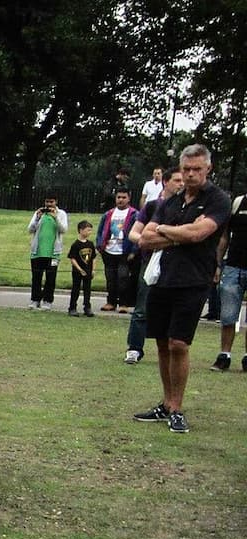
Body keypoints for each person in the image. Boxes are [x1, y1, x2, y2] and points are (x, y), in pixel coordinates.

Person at [133, 144, 232, 434]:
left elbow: (201, 233)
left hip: (193, 280)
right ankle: (165, 403)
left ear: (208, 169)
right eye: (186, 169)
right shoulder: (172, 201)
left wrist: (170, 231)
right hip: (163, 278)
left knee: (179, 344)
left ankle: (177, 407)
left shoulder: (218, 200)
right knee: (162, 343)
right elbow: (145, 238)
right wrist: (179, 234)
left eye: (196, 169)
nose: (190, 174)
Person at [124, 167, 183, 364]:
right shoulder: (151, 206)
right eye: (177, 180)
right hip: (151, 260)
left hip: (177, 263)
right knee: (142, 306)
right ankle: (134, 348)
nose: (182, 184)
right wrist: (147, 241)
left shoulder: (187, 208)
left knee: (171, 307)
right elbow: (133, 232)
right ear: (165, 182)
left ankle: (168, 348)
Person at [210, 190, 246, 371]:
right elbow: (224, 236)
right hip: (234, 266)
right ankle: (225, 355)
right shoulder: (239, 202)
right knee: (227, 315)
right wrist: (218, 264)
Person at [97, 189, 140, 312]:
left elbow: (137, 233)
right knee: (110, 278)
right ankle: (110, 302)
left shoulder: (134, 214)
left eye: (123, 197)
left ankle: (123, 303)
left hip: (124, 252)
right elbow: (101, 231)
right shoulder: (108, 214)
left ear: (129, 198)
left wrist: (133, 251)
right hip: (109, 250)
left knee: (123, 278)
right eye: (118, 197)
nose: (121, 200)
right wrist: (100, 246)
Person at [27, 194, 68, 309]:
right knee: (36, 277)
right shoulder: (38, 213)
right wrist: (37, 218)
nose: (49, 204)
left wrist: (55, 217)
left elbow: (63, 229)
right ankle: (35, 299)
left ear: (56, 202)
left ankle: (48, 300)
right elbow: (30, 229)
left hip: (54, 253)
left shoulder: (61, 214)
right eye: (47, 202)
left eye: (51, 202)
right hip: (37, 252)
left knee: (51, 277)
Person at [67, 221, 97, 317]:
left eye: (90, 230)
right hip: (77, 271)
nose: (89, 232)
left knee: (87, 289)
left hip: (88, 270)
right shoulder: (76, 244)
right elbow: (72, 258)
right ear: (81, 230)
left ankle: (87, 307)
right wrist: (79, 269)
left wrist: (93, 269)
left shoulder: (90, 244)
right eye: (88, 230)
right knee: (75, 289)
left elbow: (94, 258)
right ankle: (72, 307)